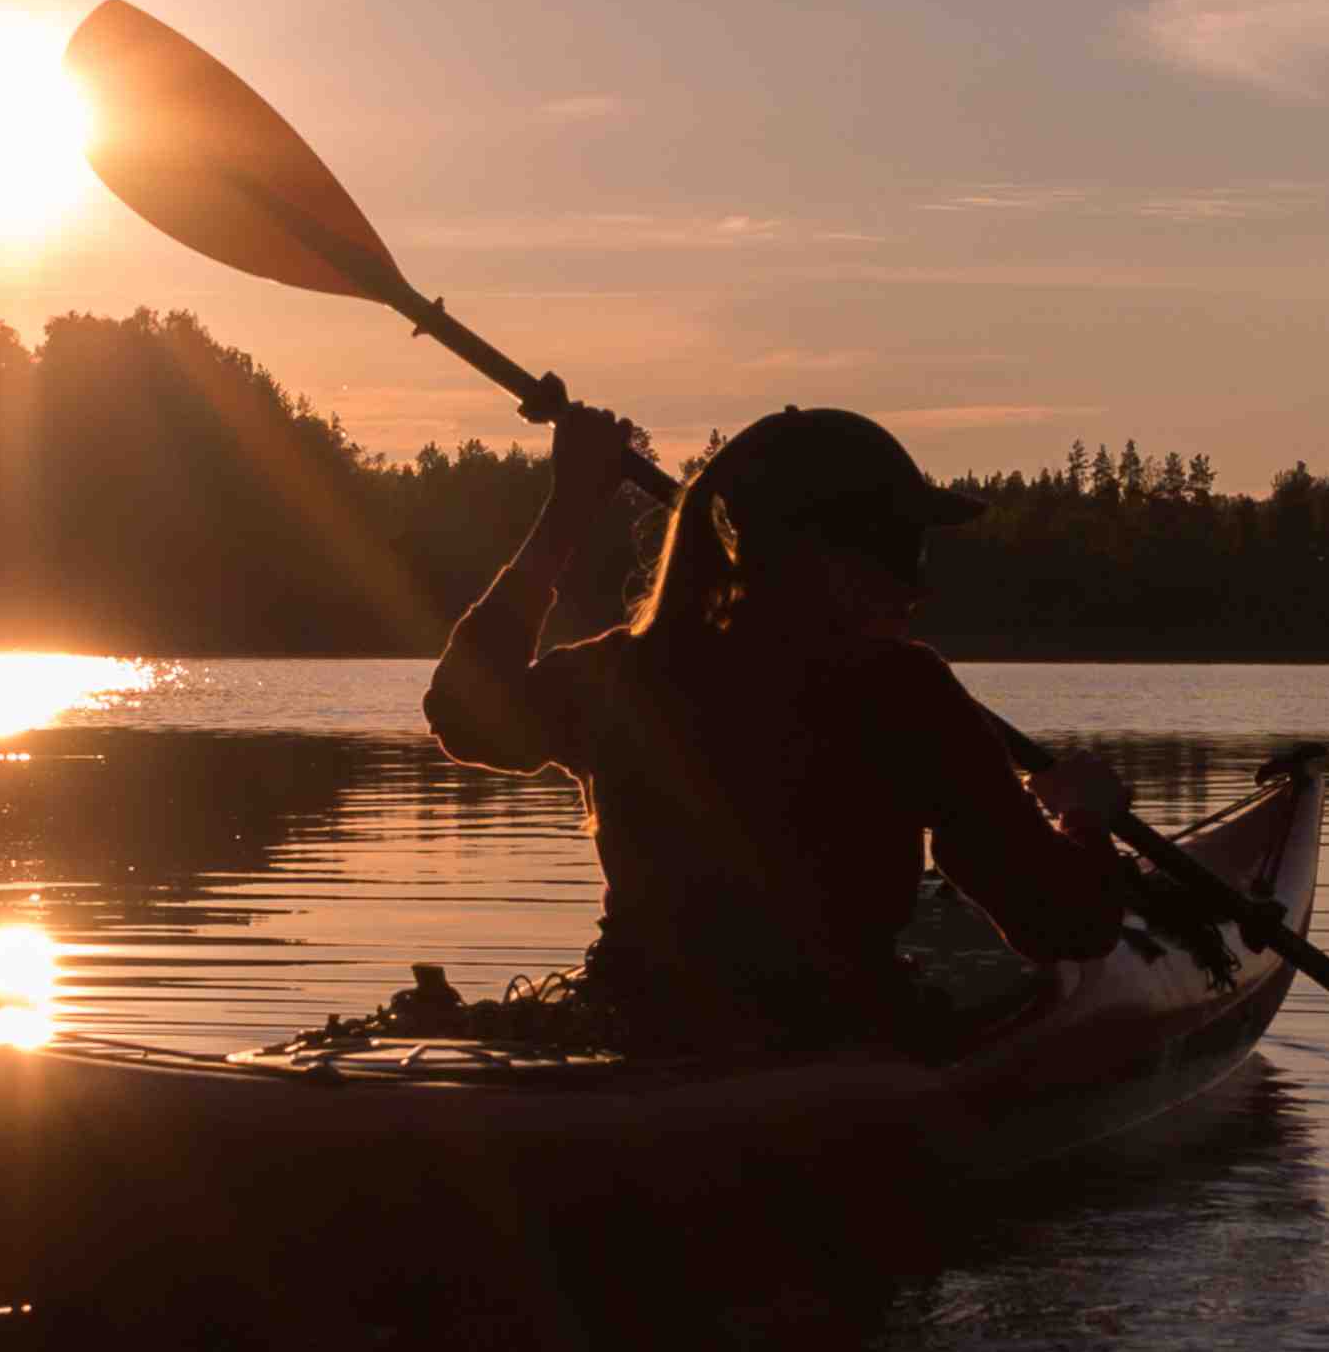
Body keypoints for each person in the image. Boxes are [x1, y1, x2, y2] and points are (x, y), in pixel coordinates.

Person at [424, 397, 1134, 1054]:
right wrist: (1085, 819)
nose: (916, 586)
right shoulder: (901, 692)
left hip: (638, 1024)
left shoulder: (625, 672)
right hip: (831, 1036)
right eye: (901, 551)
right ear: (824, 555)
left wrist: (567, 509)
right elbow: (1063, 923)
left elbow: (463, 714)